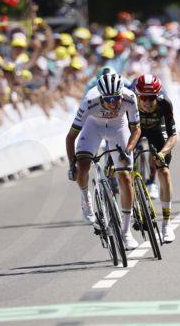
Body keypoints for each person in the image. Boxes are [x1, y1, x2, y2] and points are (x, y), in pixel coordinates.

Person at [65, 73, 141, 250]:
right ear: (101, 96)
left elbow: (136, 130)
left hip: (118, 127)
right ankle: (86, 198)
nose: (114, 103)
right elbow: (70, 138)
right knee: (83, 166)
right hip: (94, 127)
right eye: (109, 99)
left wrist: (128, 149)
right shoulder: (89, 101)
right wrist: (71, 164)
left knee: (125, 177)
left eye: (117, 98)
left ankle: (126, 231)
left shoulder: (130, 98)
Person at [134, 74, 177, 243]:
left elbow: (173, 136)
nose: (147, 101)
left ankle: (167, 224)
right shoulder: (130, 102)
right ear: (138, 95)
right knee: (122, 167)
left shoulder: (164, 104)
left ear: (157, 96)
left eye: (151, 97)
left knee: (164, 173)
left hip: (156, 131)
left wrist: (162, 153)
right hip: (134, 131)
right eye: (143, 97)